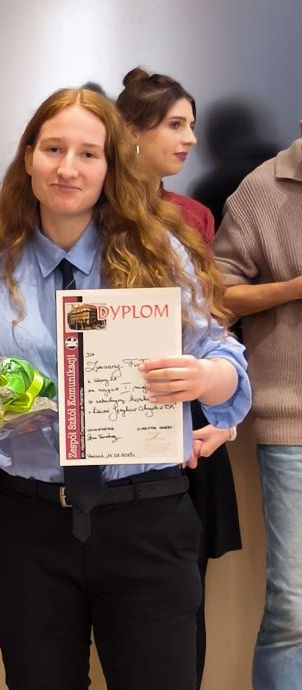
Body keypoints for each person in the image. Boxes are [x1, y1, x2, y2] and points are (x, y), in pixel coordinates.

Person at [0, 88, 250, 690]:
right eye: (53, 149)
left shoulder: (160, 257)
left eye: (89, 153)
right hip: (26, 530)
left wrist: (206, 378)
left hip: (146, 521)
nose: (68, 168)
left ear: (111, 168)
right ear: (28, 157)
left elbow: (225, 361)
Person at [116, 66, 242, 686]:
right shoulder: (84, 215)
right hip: (117, 426)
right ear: (131, 133)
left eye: (192, 124)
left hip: (193, 419)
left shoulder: (192, 215)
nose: (190, 138)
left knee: (183, 599)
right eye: (175, 124)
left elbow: (212, 324)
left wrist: (224, 415)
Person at [213, 122, 302, 690]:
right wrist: (295, 287)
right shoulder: (261, 189)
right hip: (293, 424)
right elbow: (217, 296)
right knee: (295, 608)